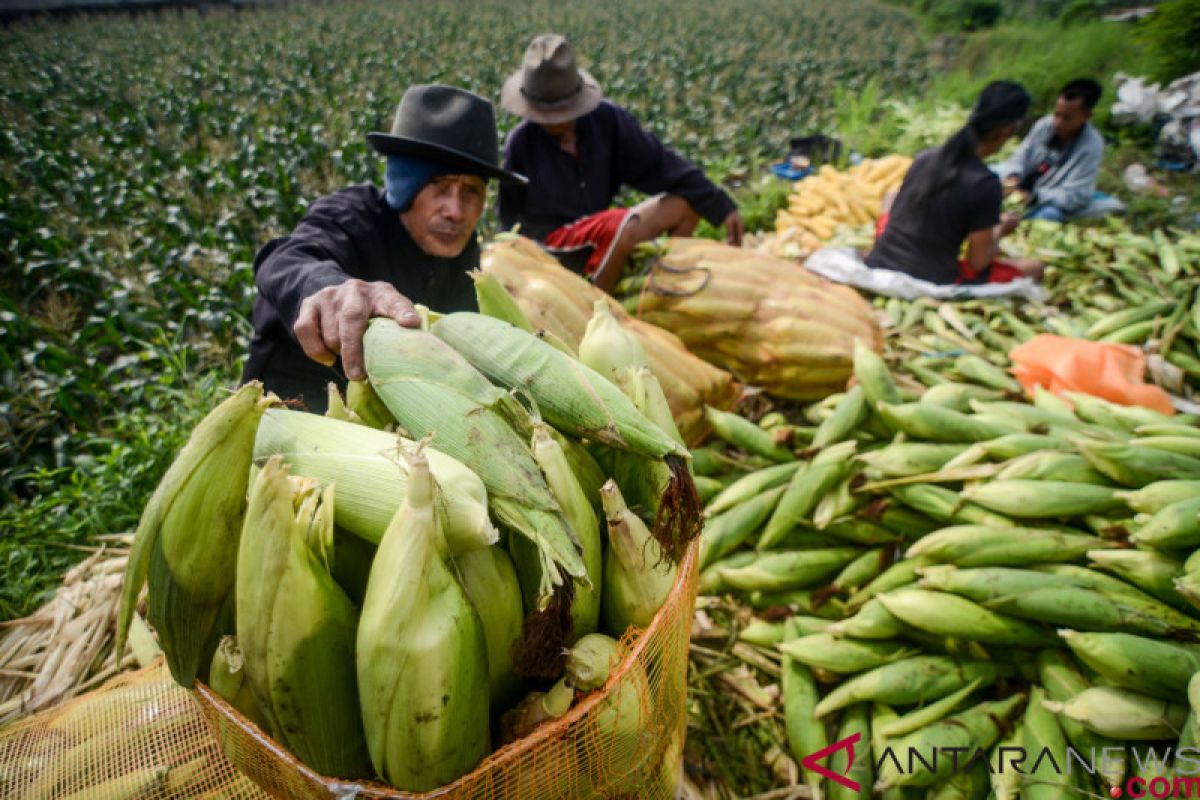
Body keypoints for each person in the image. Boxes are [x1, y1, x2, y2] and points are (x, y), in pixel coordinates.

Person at [241, 84, 526, 411]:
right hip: (294, 411)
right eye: (438, 185)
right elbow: (287, 259)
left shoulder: (458, 247)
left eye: (472, 191)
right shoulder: (351, 218)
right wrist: (331, 290)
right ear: (406, 182)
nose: (456, 211)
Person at [497, 33, 744, 292]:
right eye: (546, 114)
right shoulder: (521, 143)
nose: (555, 121)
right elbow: (508, 218)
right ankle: (599, 305)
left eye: (562, 112)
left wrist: (720, 204)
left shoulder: (606, 121)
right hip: (552, 244)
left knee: (685, 204)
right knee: (624, 225)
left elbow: (660, 164)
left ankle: (663, 284)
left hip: (605, 232)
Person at [866, 80, 1043, 286]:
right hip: (929, 278)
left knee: (891, 197)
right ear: (1008, 130)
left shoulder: (925, 158)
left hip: (880, 259)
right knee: (1035, 268)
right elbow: (978, 263)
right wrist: (1001, 229)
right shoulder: (985, 183)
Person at [997, 78, 1105, 222]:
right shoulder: (1044, 124)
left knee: (1049, 215)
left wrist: (1035, 197)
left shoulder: (1091, 146)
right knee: (987, 174)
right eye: (1057, 114)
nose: (1058, 122)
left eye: (1067, 118)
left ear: (1087, 116)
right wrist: (1013, 177)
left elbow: (1075, 195)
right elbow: (1019, 157)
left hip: (1045, 198)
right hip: (1020, 187)